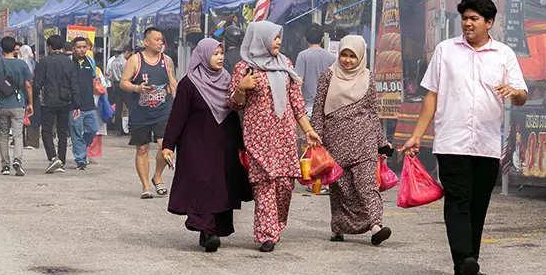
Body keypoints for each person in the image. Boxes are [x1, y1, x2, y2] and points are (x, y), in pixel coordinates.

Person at [400, 0, 528, 275]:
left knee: (478, 204)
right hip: (452, 141)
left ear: (489, 22)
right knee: (458, 198)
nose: (468, 23)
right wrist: (417, 135)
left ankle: (466, 265)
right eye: (465, 18)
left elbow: (521, 95)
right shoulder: (446, 50)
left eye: (474, 19)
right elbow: (431, 95)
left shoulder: (504, 54)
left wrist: (514, 92)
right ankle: (465, 258)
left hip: (486, 143)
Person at [228, 21, 321, 252]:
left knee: (284, 186)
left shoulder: (286, 64)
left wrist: (308, 130)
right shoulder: (244, 67)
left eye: (279, 37)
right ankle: (266, 234)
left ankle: (277, 226)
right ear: (260, 38)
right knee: (264, 184)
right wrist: (241, 88)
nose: (278, 41)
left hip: (284, 136)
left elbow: (297, 104)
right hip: (258, 136)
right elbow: (232, 104)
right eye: (274, 37)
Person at [162, 39, 252, 252]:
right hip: (196, 144)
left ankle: (209, 230)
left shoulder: (228, 80)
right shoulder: (189, 83)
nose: (220, 57)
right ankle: (207, 229)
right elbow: (177, 117)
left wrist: (241, 144)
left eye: (221, 53)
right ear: (203, 56)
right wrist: (168, 144)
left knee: (219, 186)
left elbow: (233, 114)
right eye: (215, 54)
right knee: (202, 184)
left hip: (223, 143)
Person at [311, 35, 392, 245]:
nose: (347, 60)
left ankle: (376, 226)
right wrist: (315, 136)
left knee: (366, 184)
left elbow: (372, 113)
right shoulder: (328, 76)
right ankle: (338, 227)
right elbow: (319, 108)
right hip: (335, 139)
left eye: (352, 56)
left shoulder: (368, 77)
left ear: (361, 57)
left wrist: (381, 142)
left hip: (363, 139)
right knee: (341, 187)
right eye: (344, 55)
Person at [119, 27, 177, 198]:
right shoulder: (135, 60)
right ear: (146, 42)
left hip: (163, 111)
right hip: (140, 113)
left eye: (161, 40)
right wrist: (138, 88)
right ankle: (146, 186)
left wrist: (179, 100)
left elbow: (173, 82)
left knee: (165, 146)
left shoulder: (167, 61)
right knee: (142, 148)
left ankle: (157, 176)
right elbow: (123, 82)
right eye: (157, 40)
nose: (160, 43)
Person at [33, 35, 79, 174]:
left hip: (48, 101)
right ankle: (62, 161)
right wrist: (77, 104)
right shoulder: (69, 62)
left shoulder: (44, 62)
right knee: (62, 132)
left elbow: (38, 83)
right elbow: (74, 85)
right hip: (65, 101)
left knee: (46, 131)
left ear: (49, 47)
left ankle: (53, 157)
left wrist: (32, 99)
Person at [0, 36, 33, 176]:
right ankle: (17, 160)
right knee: (18, 135)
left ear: (1, 48)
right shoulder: (22, 65)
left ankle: (5, 166)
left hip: (2, 104)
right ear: (15, 48)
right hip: (18, 103)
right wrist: (30, 103)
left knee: (3, 135)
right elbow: (28, 85)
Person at [71, 37, 99, 170]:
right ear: (73, 49)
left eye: (84, 47)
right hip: (75, 106)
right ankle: (80, 159)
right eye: (79, 47)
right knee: (76, 132)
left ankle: (81, 148)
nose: (82, 49)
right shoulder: (69, 62)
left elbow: (94, 78)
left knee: (92, 130)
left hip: (89, 103)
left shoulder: (90, 61)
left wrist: (92, 94)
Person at [295, 23, 336, 116]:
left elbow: (298, 82)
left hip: (308, 108)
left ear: (305, 39)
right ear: (322, 38)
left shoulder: (303, 56)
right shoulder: (332, 58)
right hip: (327, 108)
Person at [107, 45, 133, 135]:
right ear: (127, 52)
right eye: (129, 54)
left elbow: (110, 75)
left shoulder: (114, 61)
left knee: (118, 108)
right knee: (131, 107)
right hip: (124, 85)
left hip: (115, 86)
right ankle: (130, 128)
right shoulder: (126, 62)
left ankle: (118, 129)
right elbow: (129, 75)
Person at [19, 44, 40, 149]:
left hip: (20, 93)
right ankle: (33, 142)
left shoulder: (18, 64)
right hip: (35, 94)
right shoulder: (35, 64)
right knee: (34, 117)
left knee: (20, 117)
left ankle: (19, 140)